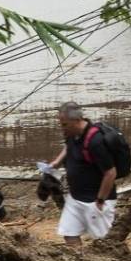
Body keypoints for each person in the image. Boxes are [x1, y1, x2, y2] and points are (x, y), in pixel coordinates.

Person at [48, 102, 117, 245]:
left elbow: (110, 173)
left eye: (65, 124)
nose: (62, 128)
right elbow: (68, 147)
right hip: (75, 198)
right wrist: (56, 163)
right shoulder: (72, 134)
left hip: (95, 200)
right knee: (69, 233)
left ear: (77, 120)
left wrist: (100, 200)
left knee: (104, 244)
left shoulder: (95, 141)